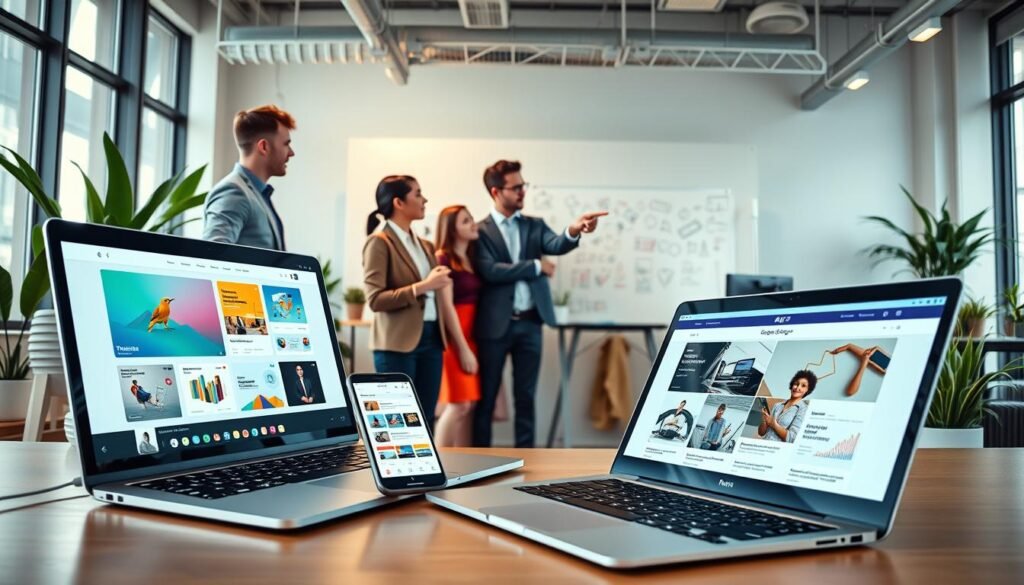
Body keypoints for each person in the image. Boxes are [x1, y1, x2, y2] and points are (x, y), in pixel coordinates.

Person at [472, 160, 608, 447]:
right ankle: (478, 457)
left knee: (526, 398)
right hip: (494, 327)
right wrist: (535, 266)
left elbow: (557, 244)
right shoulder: (479, 231)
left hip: (531, 323)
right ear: (496, 191)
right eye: (516, 187)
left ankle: (526, 462)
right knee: (486, 398)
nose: (523, 191)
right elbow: (490, 271)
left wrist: (574, 229)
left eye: (524, 185)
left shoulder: (534, 225)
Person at [363, 175, 450, 429]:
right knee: (399, 423)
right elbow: (376, 299)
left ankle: (428, 469)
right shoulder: (378, 243)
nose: (425, 199)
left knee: (426, 420)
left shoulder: (426, 245)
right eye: (418, 194)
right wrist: (423, 287)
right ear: (399, 202)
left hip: (432, 338)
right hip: (396, 345)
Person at [202, 105, 295, 250]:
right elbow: (212, 256)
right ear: (263, 147)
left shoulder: (256, 194)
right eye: (286, 144)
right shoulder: (233, 192)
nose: (291, 153)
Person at [433, 205, 483, 447]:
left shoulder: (470, 258)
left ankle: (464, 462)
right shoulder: (443, 258)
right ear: (451, 229)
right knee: (458, 404)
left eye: (471, 218)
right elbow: (446, 307)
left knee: (467, 406)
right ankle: (439, 459)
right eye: (466, 221)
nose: (474, 223)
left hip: (471, 336)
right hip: (455, 340)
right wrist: (462, 348)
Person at [758, 370, 816, 442]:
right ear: (792, 385)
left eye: (803, 386)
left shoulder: (803, 409)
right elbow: (761, 433)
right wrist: (765, 420)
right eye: (796, 384)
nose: (798, 388)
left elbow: (792, 439)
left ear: (807, 390)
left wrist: (774, 425)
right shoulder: (777, 405)